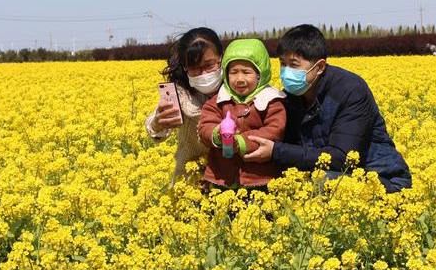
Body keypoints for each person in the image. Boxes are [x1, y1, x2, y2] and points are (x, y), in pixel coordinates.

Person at [245, 24, 412, 193]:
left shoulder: (350, 91)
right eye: (283, 64)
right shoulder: (290, 97)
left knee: (320, 182)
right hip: (332, 178)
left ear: (319, 67)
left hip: (381, 180)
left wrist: (276, 152)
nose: (286, 72)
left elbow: (342, 158)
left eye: (294, 65)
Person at [198, 39, 287, 191]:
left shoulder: (271, 101)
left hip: (260, 179)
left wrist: (241, 142)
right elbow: (205, 125)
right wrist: (217, 134)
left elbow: (274, 130)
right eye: (233, 72)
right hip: (221, 178)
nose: (239, 79)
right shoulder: (218, 101)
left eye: (246, 72)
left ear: (260, 75)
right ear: (225, 74)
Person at [145, 27, 224, 184]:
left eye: (209, 65)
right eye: (194, 68)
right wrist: (157, 123)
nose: (203, 74)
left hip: (229, 181)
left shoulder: (236, 86)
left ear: (221, 58)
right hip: (189, 180)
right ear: (185, 67)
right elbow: (154, 125)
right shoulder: (181, 93)